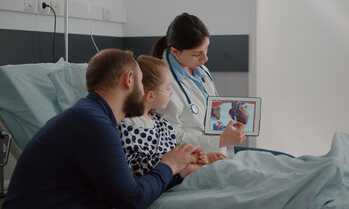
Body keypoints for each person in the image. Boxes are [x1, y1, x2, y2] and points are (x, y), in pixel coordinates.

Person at [3, 49, 204, 209]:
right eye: (141, 83)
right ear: (128, 80)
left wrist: (178, 172)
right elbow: (132, 200)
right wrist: (168, 165)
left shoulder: (91, 117)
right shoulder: (93, 124)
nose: (143, 91)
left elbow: (121, 189)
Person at [151, 13, 246, 156]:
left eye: (206, 49)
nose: (205, 58)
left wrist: (231, 126)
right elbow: (171, 136)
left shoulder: (201, 70)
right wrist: (219, 141)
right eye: (197, 54)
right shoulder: (162, 81)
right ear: (175, 52)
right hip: (196, 158)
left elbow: (214, 110)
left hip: (220, 151)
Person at [118, 55, 227, 178]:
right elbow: (134, 167)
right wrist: (176, 164)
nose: (171, 92)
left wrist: (197, 158)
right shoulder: (128, 127)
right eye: (168, 88)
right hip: (162, 185)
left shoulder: (163, 124)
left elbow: (175, 154)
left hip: (177, 178)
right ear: (150, 96)